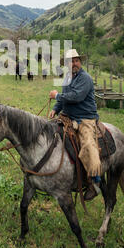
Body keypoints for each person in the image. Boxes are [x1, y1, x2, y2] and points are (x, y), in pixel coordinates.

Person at [49, 49, 101, 201]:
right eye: (70, 61)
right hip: (68, 116)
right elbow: (64, 99)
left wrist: (57, 95)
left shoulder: (85, 78)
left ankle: (95, 181)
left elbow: (76, 97)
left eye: (76, 60)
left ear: (80, 62)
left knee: (87, 145)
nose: (73, 64)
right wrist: (55, 108)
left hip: (85, 118)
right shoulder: (67, 77)